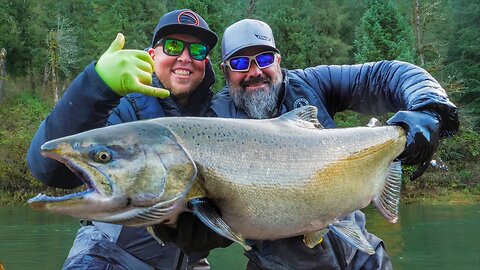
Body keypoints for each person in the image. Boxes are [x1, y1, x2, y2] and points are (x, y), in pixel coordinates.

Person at [210, 19, 459, 269]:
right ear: (224, 70)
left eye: (264, 59)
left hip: (362, 257)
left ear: (278, 60)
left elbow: (384, 75)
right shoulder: (215, 119)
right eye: (240, 63)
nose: (255, 72)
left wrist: (429, 107)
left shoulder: (312, 84)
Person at [27, 9, 231, 270]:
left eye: (198, 51)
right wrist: (95, 85)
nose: (185, 57)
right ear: (152, 54)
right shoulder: (119, 105)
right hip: (109, 256)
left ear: (206, 62)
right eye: (173, 46)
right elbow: (49, 171)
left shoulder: (218, 116)